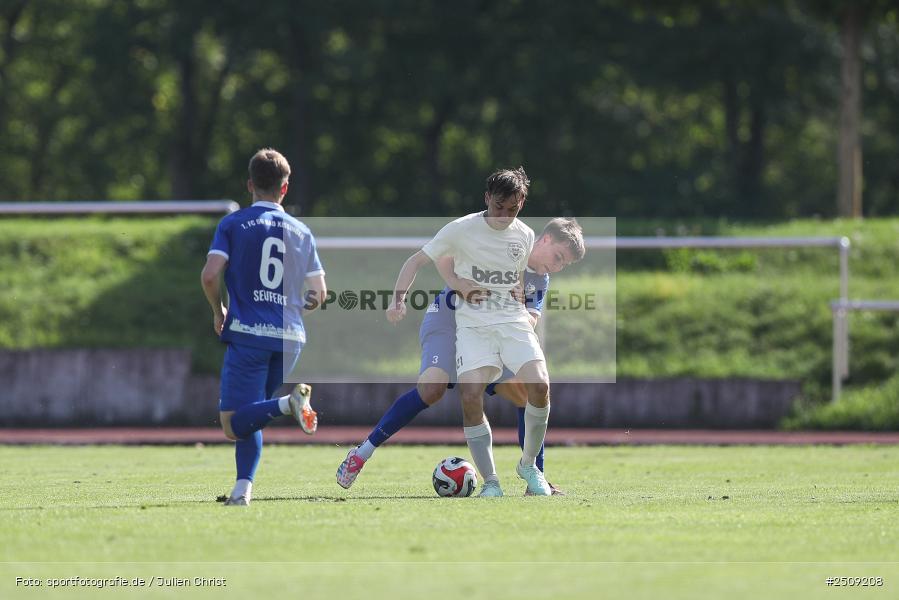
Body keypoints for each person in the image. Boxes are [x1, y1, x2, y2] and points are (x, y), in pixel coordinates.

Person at [341, 167, 559, 497]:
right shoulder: (465, 228)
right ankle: (361, 454)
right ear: (487, 199)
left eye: (512, 210)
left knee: (527, 391)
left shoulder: (531, 255)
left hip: (494, 326)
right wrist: (406, 298)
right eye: (499, 207)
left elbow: (519, 297)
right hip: (449, 316)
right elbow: (432, 259)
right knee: (433, 388)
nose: (504, 216)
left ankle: (535, 477)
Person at [200, 148, 327, 506]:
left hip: (249, 333)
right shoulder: (303, 231)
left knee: (233, 423)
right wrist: (293, 309)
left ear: (250, 184)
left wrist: (217, 309)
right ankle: (242, 492)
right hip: (291, 337)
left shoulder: (233, 223)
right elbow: (319, 294)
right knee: (254, 412)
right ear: (285, 189)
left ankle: (289, 404)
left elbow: (210, 275)